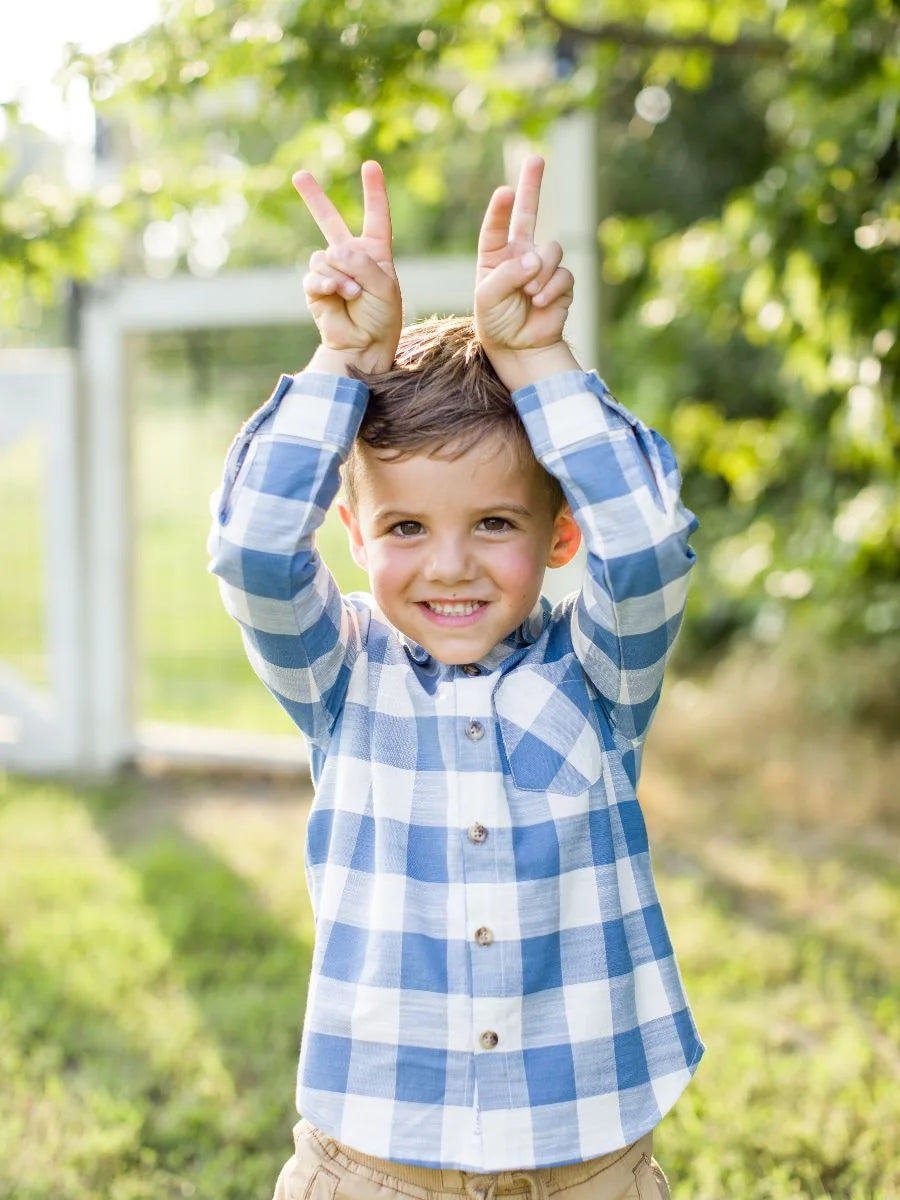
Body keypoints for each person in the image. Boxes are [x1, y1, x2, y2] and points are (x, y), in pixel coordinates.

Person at [208, 155, 703, 1200]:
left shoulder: (598, 672)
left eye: (493, 522)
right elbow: (252, 551)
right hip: (376, 1159)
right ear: (351, 532)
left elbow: (651, 543)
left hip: (587, 1162)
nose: (449, 564)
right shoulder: (340, 677)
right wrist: (344, 363)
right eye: (404, 526)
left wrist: (540, 366)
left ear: (559, 533)